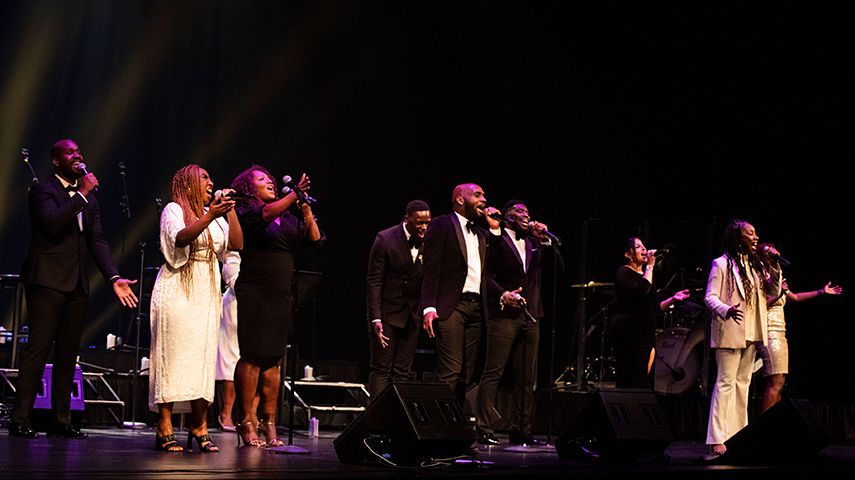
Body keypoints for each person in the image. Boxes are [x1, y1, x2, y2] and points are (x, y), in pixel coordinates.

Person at [9, 139, 138, 440]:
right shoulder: (43, 189)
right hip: (46, 280)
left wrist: (113, 277)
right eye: (70, 152)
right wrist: (81, 194)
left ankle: (60, 419)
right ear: (56, 161)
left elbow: (97, 241)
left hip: (77, 283)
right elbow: (52, 223)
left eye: (79, 151)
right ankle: (20, 418)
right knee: (38, 349)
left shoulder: (88, 199)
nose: (78, 155)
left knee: (69, 353)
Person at [149, 164, 243, 453]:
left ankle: (199, 423)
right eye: (204, 177)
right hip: (178, 288)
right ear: (189, 185)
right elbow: (179, 239)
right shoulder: (174, 209)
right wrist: (211, 214)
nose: (211, 182)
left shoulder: (216, 219)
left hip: (206, 290)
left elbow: (236, 245)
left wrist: (229, 212)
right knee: (172, 354)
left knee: (203, 357)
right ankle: (164, 424)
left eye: (211, 178)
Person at [231, 165, 322, 448]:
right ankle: (246, 420)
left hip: (281, 294)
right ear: (249, 188)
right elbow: (265, 215)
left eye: (270, 179)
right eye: (262, 179)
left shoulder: (287, 215)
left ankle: (269, 421)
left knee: (273, 358)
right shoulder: (246, 210)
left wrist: (305, 208)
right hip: (256, 289)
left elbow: (314, 240)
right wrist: (294, 195)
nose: (269, 182)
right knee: (253, 355)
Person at [476, 200, 551, 446]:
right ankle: (484, 428)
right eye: (519, 211)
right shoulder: (495, 237)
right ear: (508, 215)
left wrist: (544, 240)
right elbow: (486, 275)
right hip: (504, 314)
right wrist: (504, 294)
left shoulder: (533, 243)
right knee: (494, 372)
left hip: (531, 315)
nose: (526, 214)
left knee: (526, 377)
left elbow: (556, 267)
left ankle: (522, 430)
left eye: (528, 211)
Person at [703, 219, 771, 459]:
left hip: (751, 332)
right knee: (725, 383)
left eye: (755, 233)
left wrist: (773, 268)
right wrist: (726, 309)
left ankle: (739, 434)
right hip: (730, 330)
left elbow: (768, 296)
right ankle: (717, 438)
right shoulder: (720, 264)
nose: (755, 237)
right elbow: (710, 297)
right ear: (737, 237)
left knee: (743, 385)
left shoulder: (754, 266)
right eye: (750, 233)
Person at [420, 183, 488, 410]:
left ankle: (455, 425)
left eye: (484, 196)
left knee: (467, 374)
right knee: (451, 369)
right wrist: (429, 306)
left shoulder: (481, 231)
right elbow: (431, 269)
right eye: (477, 195)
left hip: (477, 307)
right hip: (452, 306)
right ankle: (437, 427)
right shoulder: (441, 225)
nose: (483, 200)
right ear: (460, 199)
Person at [756, 243, 842, 414]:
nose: (773, 252)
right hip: (768, 328)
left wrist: (821, 292)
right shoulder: (758, 277)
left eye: (774, 250)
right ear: (762, 256)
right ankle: (761, 428)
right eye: (769, 251)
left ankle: (769, 425)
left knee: (779, 382)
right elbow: (759, 305)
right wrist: (779, 294)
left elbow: (793, 297)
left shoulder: (776, 276)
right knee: (775, 381)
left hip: (780, 330)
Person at [365, 200, 431, 399]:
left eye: (427, 222)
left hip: (413, 315)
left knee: (402, 371)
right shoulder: (385, 238)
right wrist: (376, 318)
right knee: (381, 368)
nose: (424, 227)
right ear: (407, 219)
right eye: (419, 222)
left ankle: (396, 420)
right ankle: (376, 423)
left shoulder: (430, 241)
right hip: (387, 313)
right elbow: (374, 280)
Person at [611, 237, 690, 388]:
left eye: (644, 246)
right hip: (629, 331)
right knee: (631, 377)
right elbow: (644, 290)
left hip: (645, 332)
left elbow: (654, 307)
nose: (644, 249)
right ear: (629, 254)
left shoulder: (646, 276)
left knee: (644, 380)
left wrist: (673, 299)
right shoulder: (624, 272)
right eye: (639, 247)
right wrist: (650, 265)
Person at [216, 250, 241, 431]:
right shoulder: (234, 253)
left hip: (259, 305)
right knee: (231, 359)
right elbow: (233, 279)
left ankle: (252, 415)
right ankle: (226, 413)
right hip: (234, 305)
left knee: (257, 360)